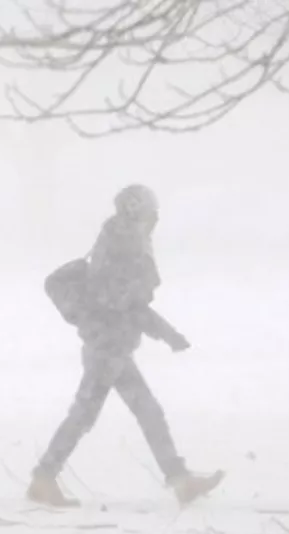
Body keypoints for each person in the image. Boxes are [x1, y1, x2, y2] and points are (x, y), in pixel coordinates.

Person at [28, 184, 224, 507]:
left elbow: (122, 298)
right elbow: (120, 300)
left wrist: (159, 328)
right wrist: (165, 331)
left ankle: (180, 480)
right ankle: (44, 477)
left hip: (110, 343)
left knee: (142, 411)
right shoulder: (124, 243)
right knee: (89, 414)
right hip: (108, 345)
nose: (155, 219)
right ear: (137, 211)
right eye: (151, 212)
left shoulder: (119, 240)